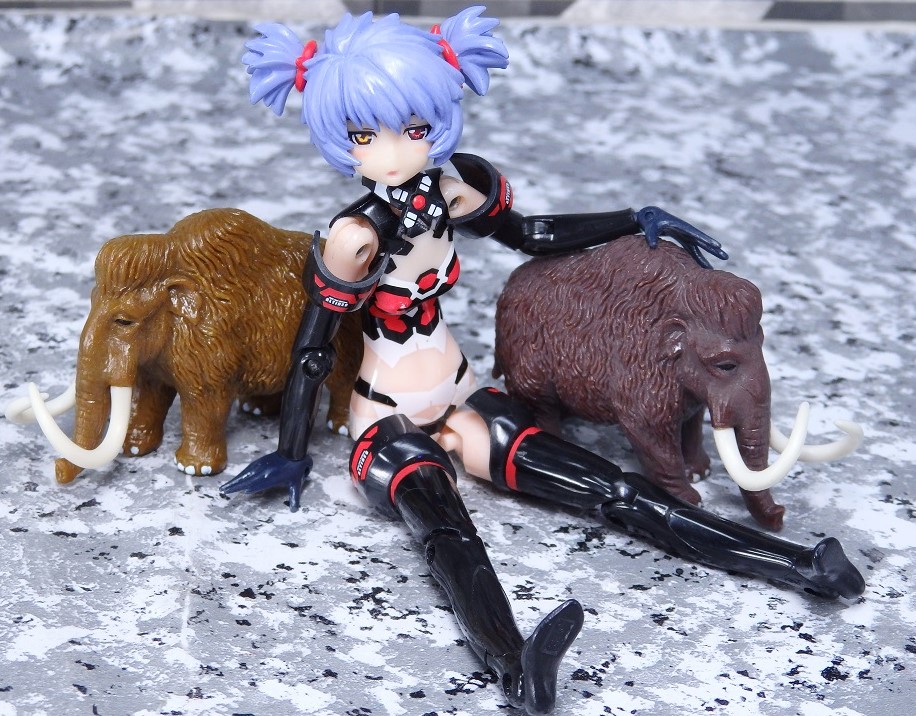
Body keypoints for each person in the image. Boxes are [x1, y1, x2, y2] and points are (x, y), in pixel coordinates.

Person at [222, 8, 865, 713]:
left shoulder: (451, 190)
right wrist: (291, 451)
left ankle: (799, 564)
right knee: (450, 534)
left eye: (414, 127)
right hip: (387, 420)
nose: (395, 151)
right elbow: (313, 349)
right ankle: (514, 669)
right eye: (364, 136)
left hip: (463, 396)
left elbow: (532, 233)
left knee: (613, 490)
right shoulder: (354, 238)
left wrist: (632, 218)